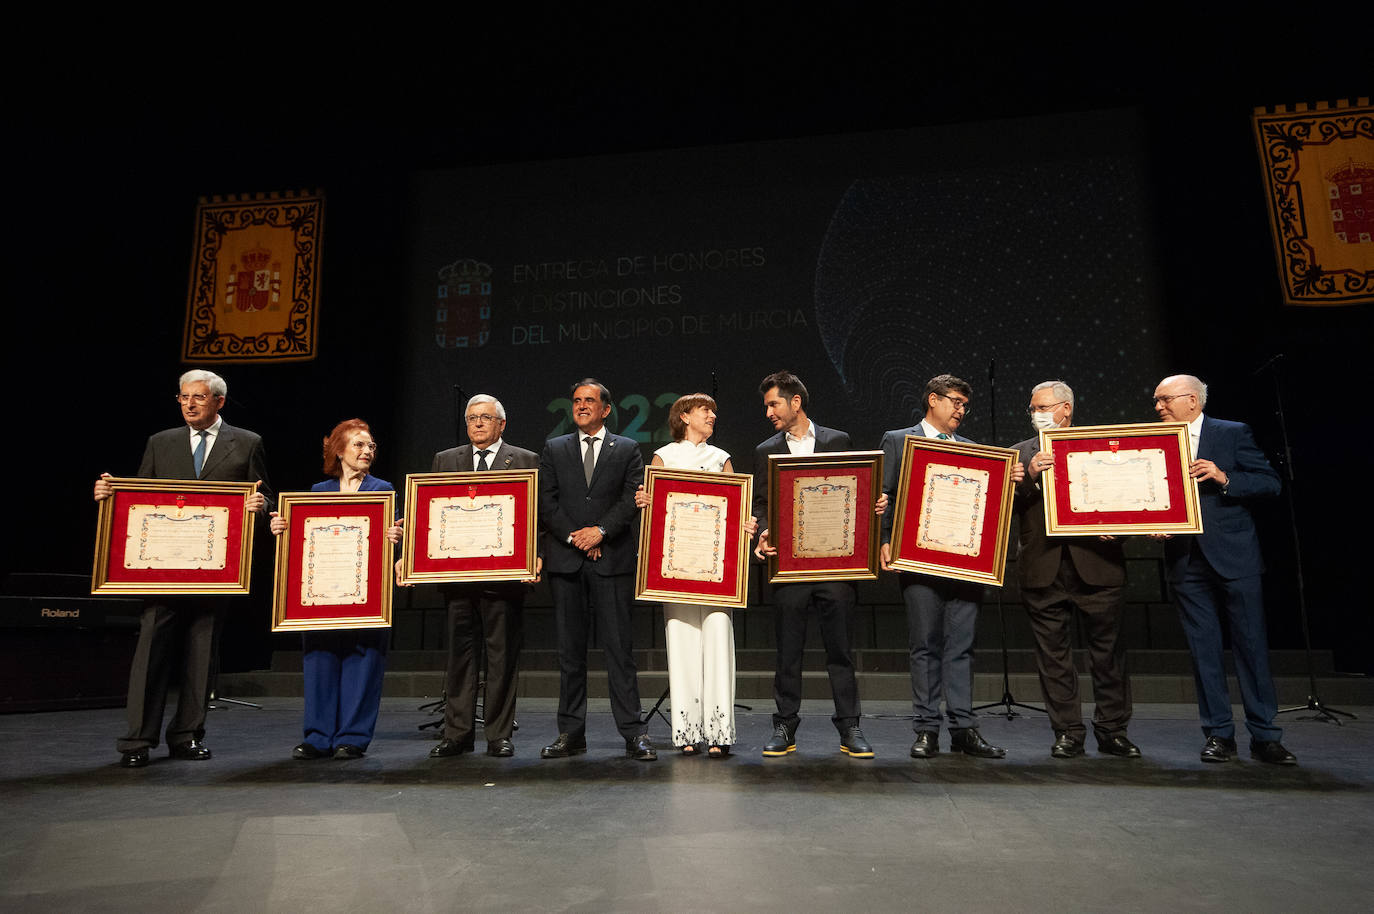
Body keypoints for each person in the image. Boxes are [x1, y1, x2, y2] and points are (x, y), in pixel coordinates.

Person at [93, 369, 271, 768]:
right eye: (183, 397)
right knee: (150, 653)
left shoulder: (246, 443)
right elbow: (139, 498)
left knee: (200, 654)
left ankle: (187, 736)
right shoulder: (161, 442)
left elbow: (263, 495)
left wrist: (261, 509)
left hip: (215, 571)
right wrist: (109, 494)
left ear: (219, 402)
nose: (189, 404)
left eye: (199, 397)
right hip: (161, 569)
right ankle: (136, 740)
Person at [1152, 374, 1296, 765]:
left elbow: (1269, 483)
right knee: (1204, 652)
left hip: (1235, 557)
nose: (1158, 407)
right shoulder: (1152, 441)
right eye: (1156, 401)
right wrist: (1153, 518)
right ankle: (1219, 735)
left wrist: (1224, 477)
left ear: (1193, 400)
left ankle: (1266, 736)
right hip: (1185, 558)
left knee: (1251, 647)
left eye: (1165, 400)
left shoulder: (1232, 433)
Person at [879, 374, 1022, 760]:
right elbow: (884, 495)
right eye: (954, 401)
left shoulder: (976, 450)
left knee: (961, 647)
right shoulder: (898, 440)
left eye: (964, 404)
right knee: (925, 645)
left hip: (965, 563)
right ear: (932, 400)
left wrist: (1008, 480)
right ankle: (926, 728)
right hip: (918, 559)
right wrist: (885, 538)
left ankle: (963, 728)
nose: (960, 410)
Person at [752, 370, 884, 759]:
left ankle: (850, 727)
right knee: (787, 652)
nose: (769, 413)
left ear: (796, 402)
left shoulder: (837, 440)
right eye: (766, 406)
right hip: (789, 567)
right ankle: (785, 726)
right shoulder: (765, 450)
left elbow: (857, 488)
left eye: (774, 404)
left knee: (840, 650)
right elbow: (761, 503)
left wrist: (875, 505)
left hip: (836, 566)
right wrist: (761, 531)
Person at [1012, 381, 1139, 759]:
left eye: (1043, 407)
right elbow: (1002, 505)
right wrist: (1031, 475)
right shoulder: (1019, 453)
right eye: (1032, 408)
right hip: (1042, 567)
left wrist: (1116, 530)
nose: (1036, 413)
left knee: (1108, 655)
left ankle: (1113, 730)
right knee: (1053, 658)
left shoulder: (1102, 446)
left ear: (1065, 409)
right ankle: (1067, 731)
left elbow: (1127, 498)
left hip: (1098, 565)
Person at [633, 393, 756, 758]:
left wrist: (746, 524)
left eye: (714, 412)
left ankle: (719, 732)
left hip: (717, 569)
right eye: (706, 410)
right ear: (684, 416)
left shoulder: (721, 458)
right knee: (682, 641)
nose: (712, 416)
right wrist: (644, 503)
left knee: (718, 637)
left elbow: (739, 510)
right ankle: (686, 730)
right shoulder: (664, 457)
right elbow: (653, 512)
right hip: (677, 567)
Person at [539, 378, 656, 761]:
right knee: (570, 653)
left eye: (589, 401)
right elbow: (546, 501)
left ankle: (633, 733)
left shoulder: (627, 448)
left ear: (606, 409)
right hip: (568, 561)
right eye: (576, 400)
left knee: (619, 651)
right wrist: (578, 538)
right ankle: (571, 733)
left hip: (612, 561)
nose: (581, 406)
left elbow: (631, 499)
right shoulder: (555, 448)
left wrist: (600, 532)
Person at [269, 419, 399, 761]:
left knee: (363, 660)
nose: (367, 451)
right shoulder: (317, 492)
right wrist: (283, 527)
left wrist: (396, 539)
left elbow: (398, 543)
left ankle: (352, 737)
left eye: (371, 446)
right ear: (339, 450)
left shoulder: (383, 490)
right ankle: (317, 736)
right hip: (321, 594)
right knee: (320, 661)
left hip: (367, 594)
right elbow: (302, 540)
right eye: (358, 445)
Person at [423, 395, 540, 759]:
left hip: (504, 579)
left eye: (485, 417)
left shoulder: (524, 460)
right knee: (460, 657)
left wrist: (535, 557)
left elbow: (536, 516)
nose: (477, 424)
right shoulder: (446, 460)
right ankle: (457, 734)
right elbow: (432, 509)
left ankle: (498, 735)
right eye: (471, 417)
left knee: (502, 657)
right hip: (457, 578)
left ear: (501, 424)